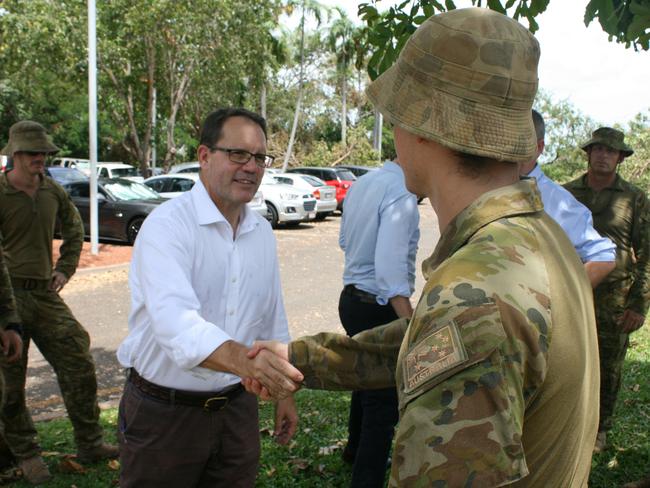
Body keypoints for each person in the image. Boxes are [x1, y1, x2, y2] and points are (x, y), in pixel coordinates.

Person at [245, 8, 599, 487]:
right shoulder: (542, 239)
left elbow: (458, 328)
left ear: (421, 127)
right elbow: (428, 345)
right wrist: (297, 358)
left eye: (395, 115)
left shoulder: (472, 291)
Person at [116, 107, 303, 487]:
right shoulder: (167, 227)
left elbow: (270, 315)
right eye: (238, 154)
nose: (251, 167)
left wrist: (283, 392)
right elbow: (177, 327)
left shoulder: (261, 232)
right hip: (164, 416)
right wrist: (248, 365)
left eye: (259, 158)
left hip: (236, 411)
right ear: (204, 156)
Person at [0, 120, 118, 485]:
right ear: (15, 154)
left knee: (78, 359)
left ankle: (90, 442)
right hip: (7, 297)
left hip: (43, 295)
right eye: (34, 153)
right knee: (10, 383)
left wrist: (65, 269)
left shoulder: (52, 190)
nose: (42, 159)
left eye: (45, 153)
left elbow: (73, 228)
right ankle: (27, 454)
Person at [564, 127, 650, 452]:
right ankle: (568, 422)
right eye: (598, 149)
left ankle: (600, 430)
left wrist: (638, 305)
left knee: (608, 366)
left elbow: (647, 254)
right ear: (588, 154)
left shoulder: (634, 198)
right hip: (570, 292)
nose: (603, 155)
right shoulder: (566, 194)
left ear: (620, 158)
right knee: (568, 359)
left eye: (610, 151)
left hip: (613, 301)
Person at [337, 157, 420, 487]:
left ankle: (354, 450)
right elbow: (390, 275)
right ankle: (365, 477)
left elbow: (344, 241)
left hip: (351, 300)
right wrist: (413, 324)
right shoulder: (402, 193)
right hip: (379, 306)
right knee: (383, 405)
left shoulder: (364, 183)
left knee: (364, 381)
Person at [520, 110, 616, 287]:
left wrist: (561, 302)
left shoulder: (555, 199)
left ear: (539, 148)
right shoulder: (486, 185)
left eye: (520, 141)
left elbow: (603, 256)